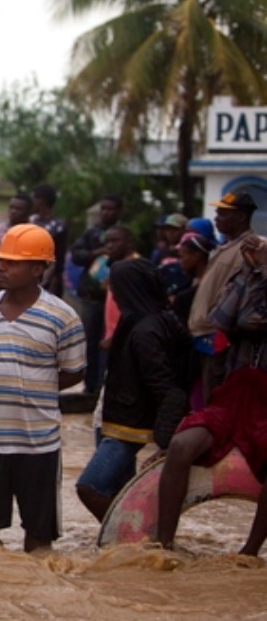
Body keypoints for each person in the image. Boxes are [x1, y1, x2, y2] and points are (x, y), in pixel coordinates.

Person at [0, 224, 86, 553]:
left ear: (38, 269)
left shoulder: (63, 317)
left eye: (13, 262)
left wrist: (31, 383)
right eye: (1, 261)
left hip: (38, 443)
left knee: (39, 540)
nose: (2, 267)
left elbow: (73, 373)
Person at [158, 236, 267, 554]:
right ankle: (163, 544)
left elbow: (252, 321)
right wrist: (252, 275)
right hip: (233, 393)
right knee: (181, 445)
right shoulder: (247, 277)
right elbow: (218, 319)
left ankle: (249, 553)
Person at [75, 259, 190, 521]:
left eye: (115, 286)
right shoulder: (141, 320)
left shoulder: (146, 331)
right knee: (122, 495)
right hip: (116, 416)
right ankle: (131, 554)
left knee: (89, 487)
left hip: (128, 426)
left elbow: (168, 390)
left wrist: (166, 441)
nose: (111, 292)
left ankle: (126, 538)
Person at [188, 191, 264, 400]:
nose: (216, 218)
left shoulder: (249, 248)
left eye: (222, 214)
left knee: (214, 397)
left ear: (240, 217)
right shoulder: (227, 246)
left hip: (217, 336)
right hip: (203, 335)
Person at [71, 194, 123, 394]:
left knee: (113, 342)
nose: (106, 213)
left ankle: (108, 385)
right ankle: (90, 385)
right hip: (91, 297)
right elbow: (76, 255)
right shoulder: (91, 234)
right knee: (90, 342)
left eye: (110, 209)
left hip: (115, 299)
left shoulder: (123, 233)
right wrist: (97, 252)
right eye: (103, 208)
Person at [30, 184, 67, 296]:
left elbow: (59, 257)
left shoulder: (58, 226)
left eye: (33, 199)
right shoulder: (30, 222)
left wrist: (54, 282)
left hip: (48, 279)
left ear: (41, 201)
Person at [0, 194, 33, 261]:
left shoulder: (35, 232)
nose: (13, 211)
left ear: (29, 212)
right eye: (11, 207)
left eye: (19, 209)